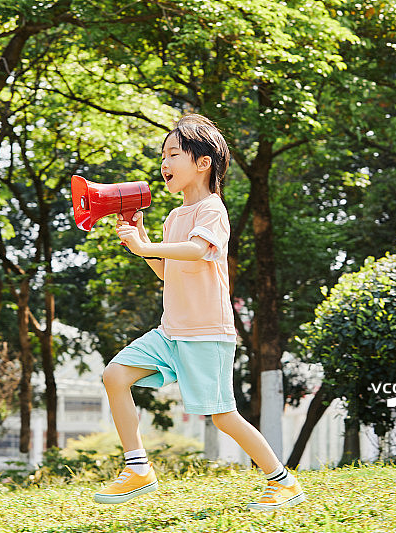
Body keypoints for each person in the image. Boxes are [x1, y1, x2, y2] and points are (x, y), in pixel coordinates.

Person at [93, 114, 305, 511]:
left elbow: (195, 251)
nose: (164, 163)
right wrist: (141, 243)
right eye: (162, 156)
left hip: (207, 332)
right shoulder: (174, 217)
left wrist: (146, 246)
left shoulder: (213, 210)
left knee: (223, 416)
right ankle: (138, 469)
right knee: (114, 375)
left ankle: (283, 481)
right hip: (170, 331)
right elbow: (167, 269)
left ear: (203, 163)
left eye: (173, 153)